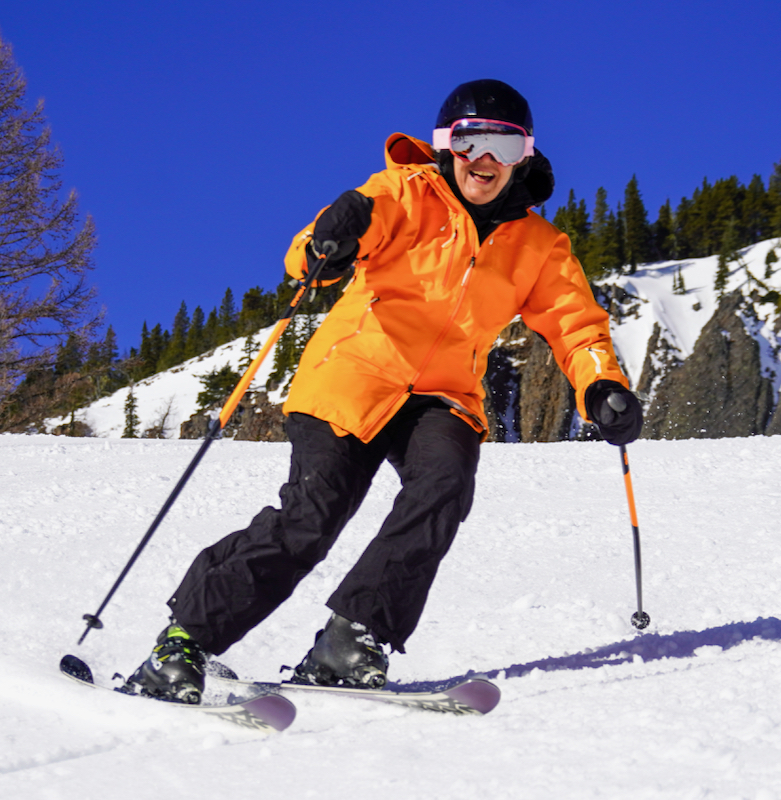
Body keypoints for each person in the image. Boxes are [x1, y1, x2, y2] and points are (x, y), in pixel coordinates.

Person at [125, 79, 643, 704]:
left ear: (525, 156)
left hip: (443, 393)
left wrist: (602, 382)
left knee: (444, 485)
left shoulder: (538, 244)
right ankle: (183, 643)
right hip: (354, 373)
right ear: (445, 147)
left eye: (503, 146)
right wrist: (330, 240)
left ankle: (354, 637)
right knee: (311, 518)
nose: (485, 160)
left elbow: (574, 320)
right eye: (469, 140)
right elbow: (312, 254)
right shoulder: (402, 193)